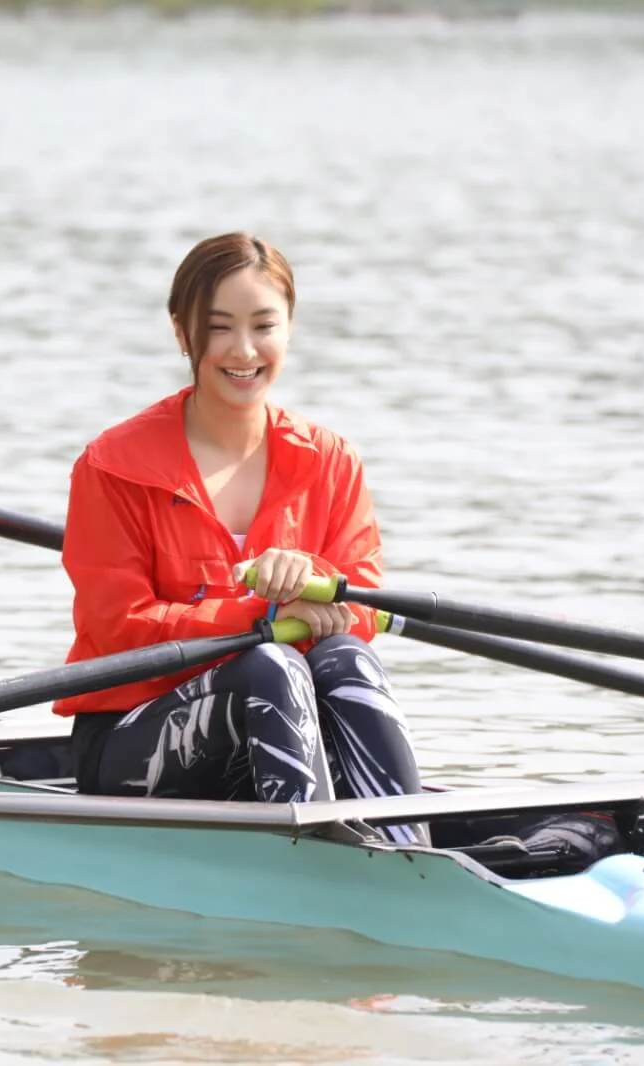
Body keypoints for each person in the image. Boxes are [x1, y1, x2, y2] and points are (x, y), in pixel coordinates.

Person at [51, 231, 427, 846]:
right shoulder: (111, 466)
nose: (244, 350)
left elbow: (361, 606)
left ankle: (408, 850)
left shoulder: (331, 460)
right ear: (182, 332)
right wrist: (265, 612)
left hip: (281, 727)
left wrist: (310, 578)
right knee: (270, 665)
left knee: (347, 657)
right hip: (131, 742)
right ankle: (320, 864)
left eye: (264, 326)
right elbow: (119, 627)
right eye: (219, 327)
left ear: (289, 329)